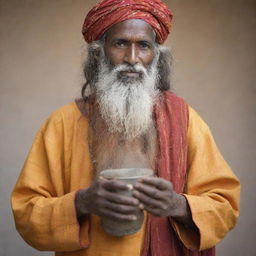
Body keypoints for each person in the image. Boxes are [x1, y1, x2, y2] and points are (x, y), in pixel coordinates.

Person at [11, 0, 240, 255]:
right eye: (120, 44)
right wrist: (82, 202)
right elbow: (26, 213)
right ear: (99, 53)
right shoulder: (61, 124)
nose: (132, 58)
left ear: (156, 55)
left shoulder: (184, 119)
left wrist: (177, 204)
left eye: (143, 45)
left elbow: (225, 205)